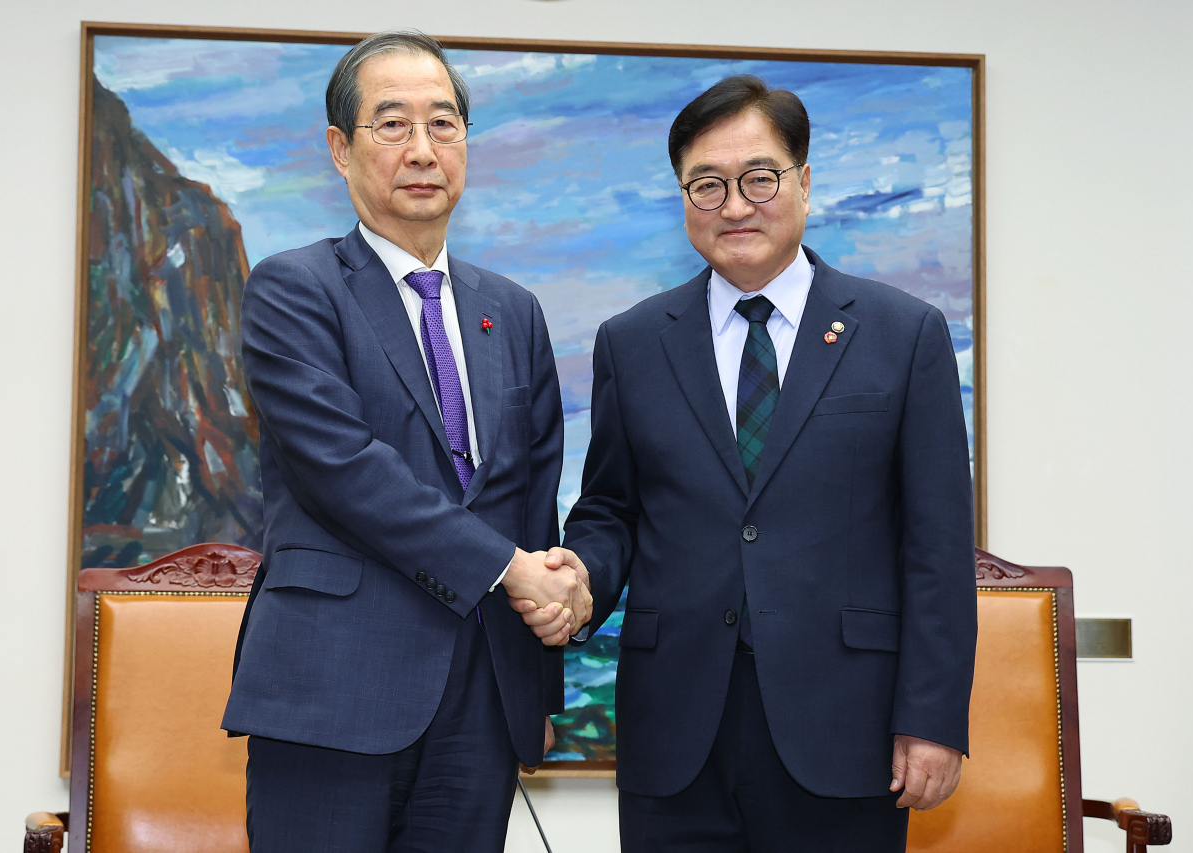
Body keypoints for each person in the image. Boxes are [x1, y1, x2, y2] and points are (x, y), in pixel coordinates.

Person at [517, 75, 977, 851]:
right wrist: (582, 577)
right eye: (707, 185)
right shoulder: (632, 342)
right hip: (676, 727)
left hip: (846, 728)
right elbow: (612, 508)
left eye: (758, 177)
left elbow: (935, 548)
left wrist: (930, 719)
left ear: (803, 182)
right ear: (683, 198)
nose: (734, 205)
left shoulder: (904, 335)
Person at [222, 30, 591, 853]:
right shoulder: (294, 289)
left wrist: (556, 591)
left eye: (444, 124)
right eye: (392, 125)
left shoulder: (514, 310)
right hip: (333, 685)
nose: (423, 149)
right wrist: (510, 567)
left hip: (484, 695)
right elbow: (346, 471)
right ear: (340, 150)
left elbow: (531, 492)